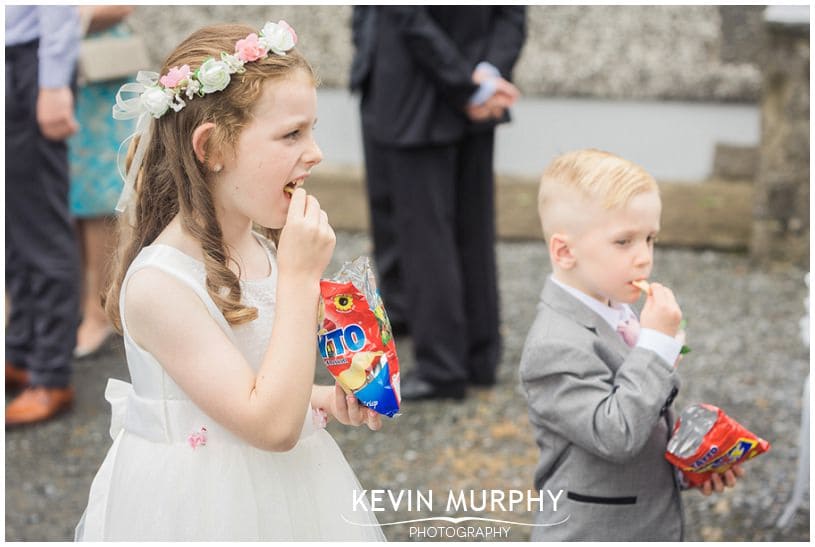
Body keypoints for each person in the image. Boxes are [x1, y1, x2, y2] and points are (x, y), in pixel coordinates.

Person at [75, 21, 384, 540]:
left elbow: (249, 381)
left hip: (289, 488)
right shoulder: (161, 285)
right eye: (291, 134)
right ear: (211, 147)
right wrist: (301, 279)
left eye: (311, 129)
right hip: (201, 508)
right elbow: (270, 425)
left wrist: (322, 398)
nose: (315, 152)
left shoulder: (261, 246)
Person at [519, 149, 744, 541]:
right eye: (623, 242)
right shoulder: (553, 345)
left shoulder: (617, 309)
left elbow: (645, 419)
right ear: (565, 251)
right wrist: (655, 345)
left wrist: (687, 465)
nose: (644, 258)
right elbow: (615, 433)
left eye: (650, 238)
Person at [351, 7, 526, 400]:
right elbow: (511, 15)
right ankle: (478, 357)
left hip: (413, 92)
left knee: (424, 237)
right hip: (470, 96)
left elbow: (409, 17)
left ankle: (443, 367)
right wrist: (487, 77)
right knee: (471, 230)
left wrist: (467, 86)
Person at [5, 6, 82, 426]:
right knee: (13, 229)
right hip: (14, 60)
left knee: (41, 229)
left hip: (31, 64)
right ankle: (20, 351)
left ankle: (51, 374)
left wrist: (53, 82)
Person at [70, 5, 136, 358]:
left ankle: (100, 310)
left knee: (97, 195)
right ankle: (79, 305)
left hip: (96, 66)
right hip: (48, 65)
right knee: (66, 193)